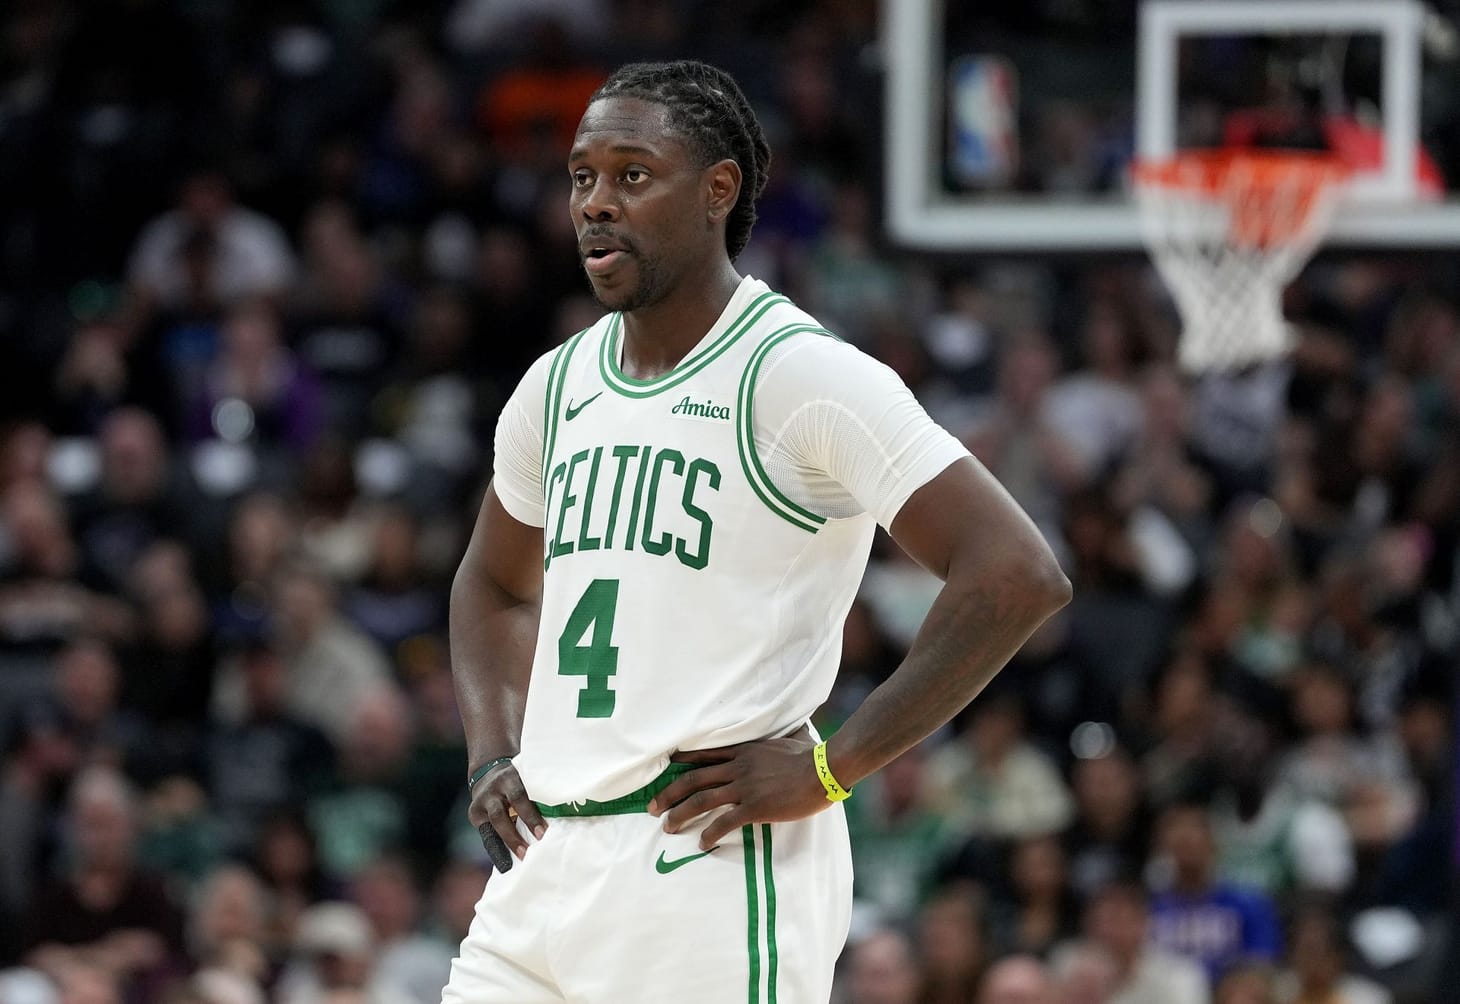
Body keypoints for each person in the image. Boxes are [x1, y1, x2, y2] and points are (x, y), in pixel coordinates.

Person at [443, 59, 1070, 1003]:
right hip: (542, 865)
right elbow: (491, 583)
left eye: (632, 175)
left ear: (718, 191)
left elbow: (1015, 572)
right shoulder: (555, 385)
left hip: (705, 865)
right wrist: (492, 750)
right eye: (582, 177)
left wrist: (832, 766)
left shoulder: (800, 374)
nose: (596, 203)